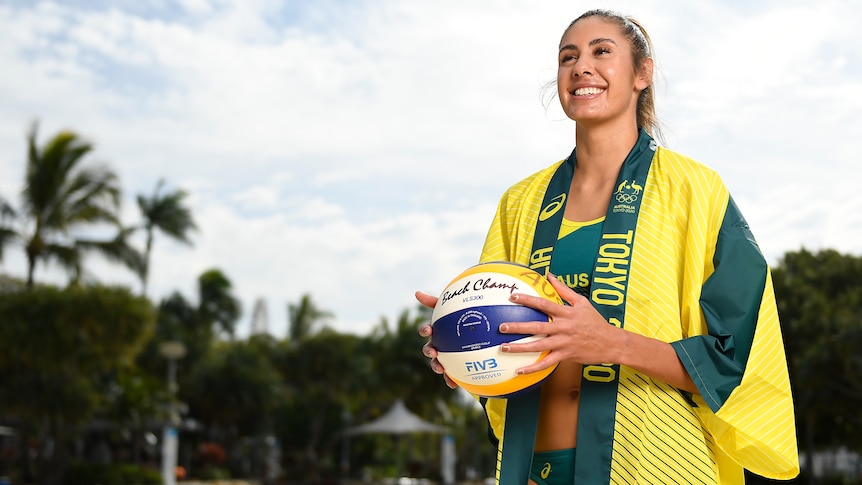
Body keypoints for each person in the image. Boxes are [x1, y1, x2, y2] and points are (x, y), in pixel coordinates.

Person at [416, 8, 799, 485]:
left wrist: (610, 343)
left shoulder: (696, 190)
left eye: (602, 51)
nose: (580, 67)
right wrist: (463, 349)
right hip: (532, 469)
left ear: (643, 73)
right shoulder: (520, 202)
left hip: (658, 463)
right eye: (567, 57)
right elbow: (505, 346)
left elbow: (734, 355)